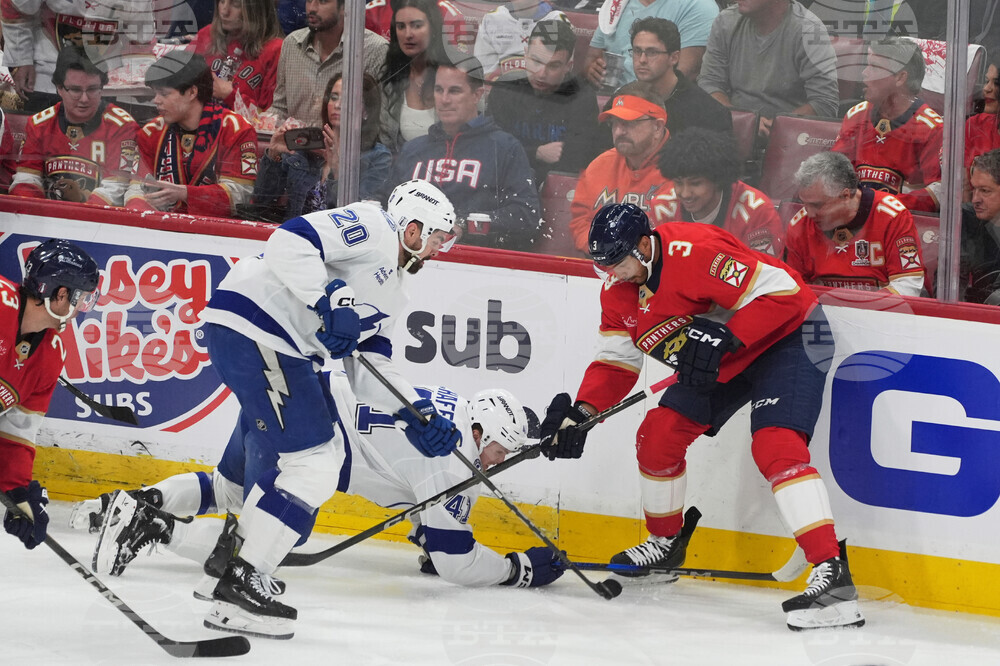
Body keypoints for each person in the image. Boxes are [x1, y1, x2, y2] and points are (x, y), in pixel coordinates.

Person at [109, 179, 463, 639]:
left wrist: (415, 413)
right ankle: (240, 582)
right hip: (260, 326)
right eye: (437, 238)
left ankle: (223, 570)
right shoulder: (374, 225)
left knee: (256, 481)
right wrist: (325, 299)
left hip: (280, 348)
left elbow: (369, 366)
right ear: (412, 229)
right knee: (317, 463)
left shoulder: (395, 293)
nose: (438, 250)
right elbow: (289, 240)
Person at [538, 202, 865, 631]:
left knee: (776, 445)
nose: (612, 273)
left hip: (792, 335)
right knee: (658, 435)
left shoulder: (696, 251)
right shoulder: (618, 290)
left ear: (643, 245)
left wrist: (729, 335)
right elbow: (616, 362)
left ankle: (832, 575)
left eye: (617, 262)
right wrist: (583, 412)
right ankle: (666, 545)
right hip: (723, 360)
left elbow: (785, 291)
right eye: (604, 265)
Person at [81, 383, 564, 593]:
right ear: (479, 432)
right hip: (308, 437)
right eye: (500, 450)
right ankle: (154, 527)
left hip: (282, 398)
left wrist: (427, 533)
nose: (499, 462)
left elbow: (418, 490)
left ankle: (131, 504)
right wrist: (516, 569)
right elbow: (456, 563)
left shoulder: (454, 407)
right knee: (268, 539)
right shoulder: (452, 461)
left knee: (227, 490)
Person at [1, 239, 99, 553]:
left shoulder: (51, 356)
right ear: (60, 294)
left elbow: (16, 432)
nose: (81, 310)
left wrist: (18, 492)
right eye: (82, 298)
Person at [387, 57, 542, 251]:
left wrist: (465, 224)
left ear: (477, 95)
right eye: (439, 90)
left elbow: (527, 214)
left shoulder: (504, 148)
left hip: (475, 259)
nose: (444, 100)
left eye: (454, 91)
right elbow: (386, 205)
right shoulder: (413, 150)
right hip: (411, 257)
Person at [123, 51, 258, 218]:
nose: (156, 100)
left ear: (192, 92)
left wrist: (186, 194)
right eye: (155, 93)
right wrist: (140, 215)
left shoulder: (236, 130)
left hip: (216, 229)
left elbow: (240, 195)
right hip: (161, 225)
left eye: (164, 94)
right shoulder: (151, 132)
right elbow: (137, 188)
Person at [9, 46, 140, 207]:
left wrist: (76, 215)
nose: (84, 99)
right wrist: (37, 212)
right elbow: (26, 180)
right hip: (47, 216)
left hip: (97, 218)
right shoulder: (39, 124)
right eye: (75, 90)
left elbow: (115, 190)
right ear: (59, 88)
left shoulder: (122, 127)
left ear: (102, 88)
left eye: (92, 89)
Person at [253, 72, 391, 222]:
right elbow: (261, 202)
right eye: (334, 98)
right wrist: (273, 155)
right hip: (294, 232)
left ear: (366, 111)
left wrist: (336, 168)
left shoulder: (378, 157)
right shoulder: (306, 147)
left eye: (347, 100)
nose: (337, 105)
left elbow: (357, 218)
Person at [785, 151, 926, 297]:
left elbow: (907, 285)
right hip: (821, 309)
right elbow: (791, 288)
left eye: (817, 205)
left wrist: (863, 307)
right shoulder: (800, 224)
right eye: (804, 203)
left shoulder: (892, 216)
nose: (809, 213)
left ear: (845, 195)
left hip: (883, 309)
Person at [831, 37, 943, 211]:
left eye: (874, 67)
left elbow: (939, 192)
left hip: (904, 221)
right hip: (855, 217)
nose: (864, 73)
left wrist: (876, 205)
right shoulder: (856, 115)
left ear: (900, 78)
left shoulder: (933, 128)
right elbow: (835, 173)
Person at [698, 0, 839, 137]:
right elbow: (709, 83)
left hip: (787, 137)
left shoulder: (810, 31)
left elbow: (824, 102)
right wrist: (741, 120)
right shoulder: (726, 21)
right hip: (730, 130)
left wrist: (774, 126)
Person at [486, 18, 601, 186]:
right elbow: (493, 150)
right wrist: (537, 153)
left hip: (557, 188)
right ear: (525, 54)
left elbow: (578, 158)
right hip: (506, 180)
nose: (541, 74)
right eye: (536, 61)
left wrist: (520, 151)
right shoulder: (505, 88)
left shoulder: (582, 97)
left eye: (553, 66)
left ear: (568, 66)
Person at [568, 85, 677, 252]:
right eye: (614, 123)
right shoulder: (600, 165)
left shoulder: (683, 171)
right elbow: (580, 222)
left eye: (629, 123)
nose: (619, 131)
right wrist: (603, 249)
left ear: (657, 127)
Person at [0, 0, 154, 112]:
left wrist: (141, 79)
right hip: (46, 70)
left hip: (102, 78)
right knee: (42, 135)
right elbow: (14, 7)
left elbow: (141, 38)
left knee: (98, 139)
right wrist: (21, 59)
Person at [658, 127, 784, 256]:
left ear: (717, 180)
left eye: (695, 183)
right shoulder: (661, 208)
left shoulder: (757, 212)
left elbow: (765, 267)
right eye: (678, 183)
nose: (685, 193)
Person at [270, 0, 388, 128]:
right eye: (309, 0)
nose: (312, 8)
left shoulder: (375, 50)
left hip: (348, 141)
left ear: (345, 6)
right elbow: (280, 108)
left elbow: (385, 125)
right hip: (295, 140)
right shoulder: (292, 44)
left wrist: (341, 140)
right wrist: (263, 124)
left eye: (323, 1)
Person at [624, 17, 732, 136]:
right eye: (637, 51)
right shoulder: (622, 98)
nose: (642, 60)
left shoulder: (707, 112)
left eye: (652, 52)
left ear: (674, 58)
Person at [583, 0, 719, 86]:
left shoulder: (699, 5)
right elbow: (591, 59)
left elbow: (684, 75)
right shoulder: (616, 4)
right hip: (611, 101)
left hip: (662, 106)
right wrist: (594, 71)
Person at [189, 0, 284, 113]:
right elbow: (177, 86)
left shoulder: (276, 50)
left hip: (242, 123)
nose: (224, 11)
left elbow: (272, 116)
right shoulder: (207, 34)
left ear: (255, 9)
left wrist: (230, 96)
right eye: (222, 1)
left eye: (236, 4)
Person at [378, 0, 448, 154]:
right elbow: (385, 146)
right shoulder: (389, 79)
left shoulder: (455, 75)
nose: (408, 34)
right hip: (401, 167)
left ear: (433, 28)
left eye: (417, 26)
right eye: (401, 27)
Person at [473, 0, 568, 81]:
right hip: (502, 90)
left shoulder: (557, 19)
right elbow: (484, 71)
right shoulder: (492, 18)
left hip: (542, 92)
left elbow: (560, 72)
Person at [959, 149, 1000, 304]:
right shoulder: (967, 218)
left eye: (985, 191)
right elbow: (952, 279)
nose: (975, 199)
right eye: (974, 189)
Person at [963, 58, 1000, 199]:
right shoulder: (975, 125)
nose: (986, 88)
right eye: (986, 81)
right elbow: (964, 188)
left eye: (996, 83)